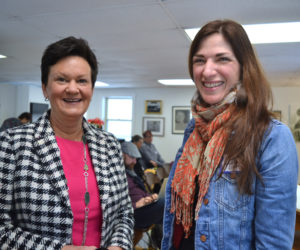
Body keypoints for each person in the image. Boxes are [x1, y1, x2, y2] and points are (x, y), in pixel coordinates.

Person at [162, 19, 298, 250]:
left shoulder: (272, 137)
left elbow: (273, 243)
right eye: (199, 60)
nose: (207, 70)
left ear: (244, 66)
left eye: (222, 59)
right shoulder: (194, 130)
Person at [0, 37, 133, 250]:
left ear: (91, 88)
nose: (73, 89)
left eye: (82, 81)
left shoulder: (109, 145)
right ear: (45, 88)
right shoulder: (12, 144)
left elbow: (124, 212)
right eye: (62, 79)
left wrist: (119, 245)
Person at [121, 142, 164, 247]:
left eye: (136, 159)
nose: (135, 162)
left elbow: (140, 191)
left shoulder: (131, 172)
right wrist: (136, 205)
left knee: (172, 210)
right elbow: (115, 206)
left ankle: (163, 244)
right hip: (134, 213)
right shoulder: (118, 175)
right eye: (132, 158)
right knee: (167, 204)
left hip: (143, 208)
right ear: (122, 155)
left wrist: (150, 197)